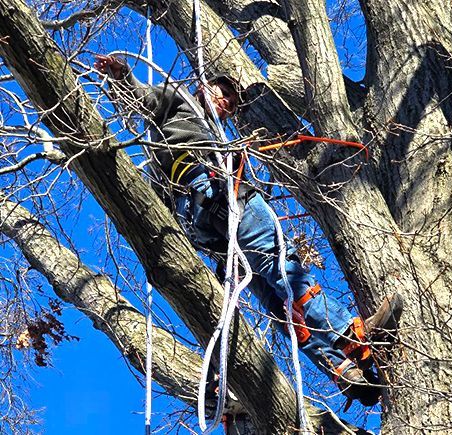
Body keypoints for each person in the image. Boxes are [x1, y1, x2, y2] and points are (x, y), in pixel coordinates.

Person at [94, 54, 403, 407]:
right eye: (220, 91)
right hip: (219, 196)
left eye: (230, 101)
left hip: (205, 220)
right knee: (280, 264)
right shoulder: (180, 99)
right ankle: (355, 337)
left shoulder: (204, 140)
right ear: (202, 87)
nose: (224, 101)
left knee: (278, 303)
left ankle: (344, 370)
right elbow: (141, 99)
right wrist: (122, 76)